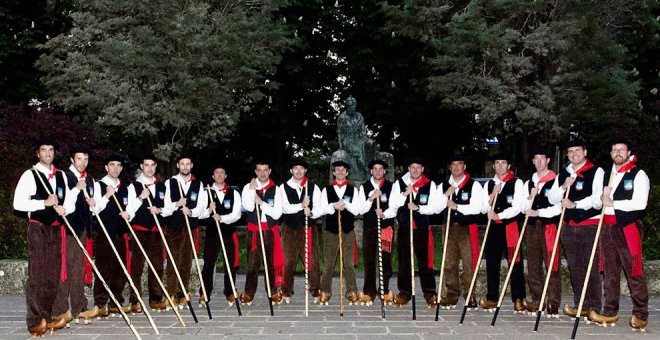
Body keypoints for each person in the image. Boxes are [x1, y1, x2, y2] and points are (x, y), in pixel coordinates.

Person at [13, 139, 76, 336]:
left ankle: (47, 316)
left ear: (54, 153)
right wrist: (43, 203)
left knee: (52, 276)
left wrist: (65, 208)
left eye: (51, 150)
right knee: (37, 275)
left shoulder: (62, 177)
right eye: (43, 150)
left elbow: (69, 202)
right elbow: (18, 204)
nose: (48, 153)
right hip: (38, 229)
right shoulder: (30, 175)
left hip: (57, 229)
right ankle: (34, 320)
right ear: (37, 154)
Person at [588, 139, 650, 331]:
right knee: (610, 272)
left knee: (634, 271)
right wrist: (602, 200)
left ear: (628, 152)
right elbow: (600, 204)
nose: (618, 152)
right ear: (611, 153)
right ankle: (609, 311)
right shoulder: (608, 175)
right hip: (607, 228)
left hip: (627, 227)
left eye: (622, 149)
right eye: (615, 149)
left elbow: (640, 204)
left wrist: (613, 202)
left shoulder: (638, 175)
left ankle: (640, 314)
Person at [548, 139, 603, 318]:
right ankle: (581, 304)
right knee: (575, 267)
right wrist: (564, 186)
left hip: (589, 226)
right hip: (568, 227)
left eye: (577, 150)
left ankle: (594, 306)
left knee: (590, 267)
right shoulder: (564, 173)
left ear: (585, 152)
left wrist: (575, 204)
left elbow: (598, 199)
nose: (573, 154)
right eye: (570, 151)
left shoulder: (597, 171)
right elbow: (552, 198)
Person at [391, 157, 446, 308]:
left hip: (422, 229)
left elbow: (435, 208)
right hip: (404, 228)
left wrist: (418, 208)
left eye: (418, 168)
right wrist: (405, 194)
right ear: (408, 168)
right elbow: (392, 204)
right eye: (412, 167)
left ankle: (430, 293)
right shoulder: (399, 184)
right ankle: (404, 293)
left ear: (422, 169)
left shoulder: (430, 184)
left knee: (425, 262)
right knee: (404, 262)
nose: (415, 170)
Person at [53, 146, 96, 324]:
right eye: (79, 159)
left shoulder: (89, 179)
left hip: (83, 229)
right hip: (68, 228)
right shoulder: (64, 176)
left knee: (78, 267)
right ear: (72, 160)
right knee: (66, 269)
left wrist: (93, 204)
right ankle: (60, 309)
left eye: (85, 159)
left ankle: (80, 308)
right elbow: (63, 204)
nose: (83, 163)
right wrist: (77, 189)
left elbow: (93, 205)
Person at [479, 152, 526, 313]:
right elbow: (483, 207)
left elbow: (518, 207)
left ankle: (518, 298)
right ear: (493, 166)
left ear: (509, 166)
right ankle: (492, 298)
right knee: (492, 262)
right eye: (497, 163)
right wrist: (493, 194)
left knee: (515, 262)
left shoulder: (517, 183)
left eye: (503, 163)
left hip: (510, 226)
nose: (500, 166)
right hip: (493, 228)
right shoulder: (489, 184)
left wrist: (500, 215)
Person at [437, 155, 483, 309]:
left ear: (464, 166)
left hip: (467, 229)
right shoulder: (444, 185)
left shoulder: (474, 185)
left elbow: (477, 207)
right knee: (449, 263)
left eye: (459, 164)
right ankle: (452, 294)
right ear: (450, 167)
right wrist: (445, 196)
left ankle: (470, 295)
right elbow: (435, 207)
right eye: (453, 164)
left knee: (469, 263)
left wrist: (457, 206)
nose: (456, 167)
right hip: (449, 228)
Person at [162, 155, 208, 307]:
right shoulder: (170, 183)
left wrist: (191, 212)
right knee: (173, 261)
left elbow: (202, 205)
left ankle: (183, 292)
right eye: (182, 164)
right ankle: (171, 293)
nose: (185, 167)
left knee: (187, 261)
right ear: (178, 165)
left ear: (191, 166)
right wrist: (177, 204)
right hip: (174, 227)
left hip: (190, 226)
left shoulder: (198, 184)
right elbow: (166, 207)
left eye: (188, 164)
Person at [521, 147, 562, 316]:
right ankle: (537, 300)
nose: (539, 162)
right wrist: (530, 198)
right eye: (536, 158)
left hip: (548, 227)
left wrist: (540, 212)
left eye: (542, 158)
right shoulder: (528, 183)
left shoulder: (556, 180)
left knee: (551, 263)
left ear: (548, 161)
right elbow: (522, 207)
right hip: (531, 228)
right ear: (533, 161)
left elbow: (559, 208)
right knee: (533, 264)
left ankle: (553, 302)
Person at [125, 155, 168, 312]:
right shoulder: (134, 186)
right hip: (139, 231)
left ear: (155, 166)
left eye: (152, 165)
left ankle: (155, 299)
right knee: (136, 266)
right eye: (146, 165)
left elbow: (168, 208)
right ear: (142, 167)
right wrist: (141, 198)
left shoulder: (162, 186)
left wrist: (160, 210)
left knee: (157, 265)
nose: (149, 168)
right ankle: (135, 300)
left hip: (156, 231)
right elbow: (128, 211)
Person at [239, 161, 285, 305]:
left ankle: (272, 292)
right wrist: (253, 190)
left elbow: (277, 214)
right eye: (259, 170)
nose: (262, 173)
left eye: (265, 170)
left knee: (270, 263)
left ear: (269, 171)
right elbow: (246, 206)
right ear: (256, 172)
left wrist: (261, 203)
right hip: (253, 230)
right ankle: (248, 293)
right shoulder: (248, 187)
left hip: (269, 230)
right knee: (252, 264)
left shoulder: (276, 189)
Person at [92, 154, 132, 315]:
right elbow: (94, 210)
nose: (115, 168)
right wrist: (108, 195)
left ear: (121, 168)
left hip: (120, 233)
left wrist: (128, 215)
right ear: (106, 167)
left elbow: (130, 208)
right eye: (112, 164)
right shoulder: (98, 185)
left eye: (118, 165)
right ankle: (101, 304)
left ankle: (116, 302)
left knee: (119, 269)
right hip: (104, 233)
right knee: (103, 268)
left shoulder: (125, 187)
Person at [280, 157, 323, 303]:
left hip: (307, 228)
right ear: (291, 170)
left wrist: (310, 213)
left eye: (301, 168)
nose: (298, 171)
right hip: (289, 229)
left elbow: (320, 208)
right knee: (287, 261)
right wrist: (301, 206)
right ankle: (286, 291)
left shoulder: (313, 187)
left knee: (312, 261)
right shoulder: (283, 187)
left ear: (305, 170)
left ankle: (316, 290)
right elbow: (284, 208)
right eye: (295, 168)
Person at [199, 164, 242, 306]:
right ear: (213, 176)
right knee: (208, 265)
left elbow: (237, 214)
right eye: (216, 172)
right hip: (212, 234)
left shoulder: (234, 192)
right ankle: (205, 293)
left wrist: (222, 218)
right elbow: (200, 214)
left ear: (225, 176)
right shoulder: (206, 192)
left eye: (222, 172)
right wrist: (208, 210)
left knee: (229, 265)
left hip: (228, 233)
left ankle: (230, 292)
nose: (219, 175)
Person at [318, 160, 361, 305]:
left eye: (343, 169)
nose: (340, 172)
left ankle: (352, 291)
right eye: (338, 169)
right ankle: (325, 291)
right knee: (329, 263)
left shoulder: (353, 190)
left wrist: (346, 204)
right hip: (331, 231)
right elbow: (321, 209)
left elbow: (357, 209)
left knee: (348, 263)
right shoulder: (327, 190)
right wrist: (333, 205)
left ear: (347, 173)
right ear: (334, 172)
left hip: (347, 230)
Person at [356, 159, 397, 306]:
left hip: (386, 228)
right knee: (369, 261)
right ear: (371, 171)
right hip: (369, 229)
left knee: (385, 261)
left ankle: (383, 290)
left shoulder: (392, 187)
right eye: (375, 169)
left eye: (381, 169)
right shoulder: (364, 187)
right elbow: (360, 209)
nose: (378, 171)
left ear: (385, 171)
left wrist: (384, 213)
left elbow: (395, 207)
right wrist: (370, 198)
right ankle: (369, 292)